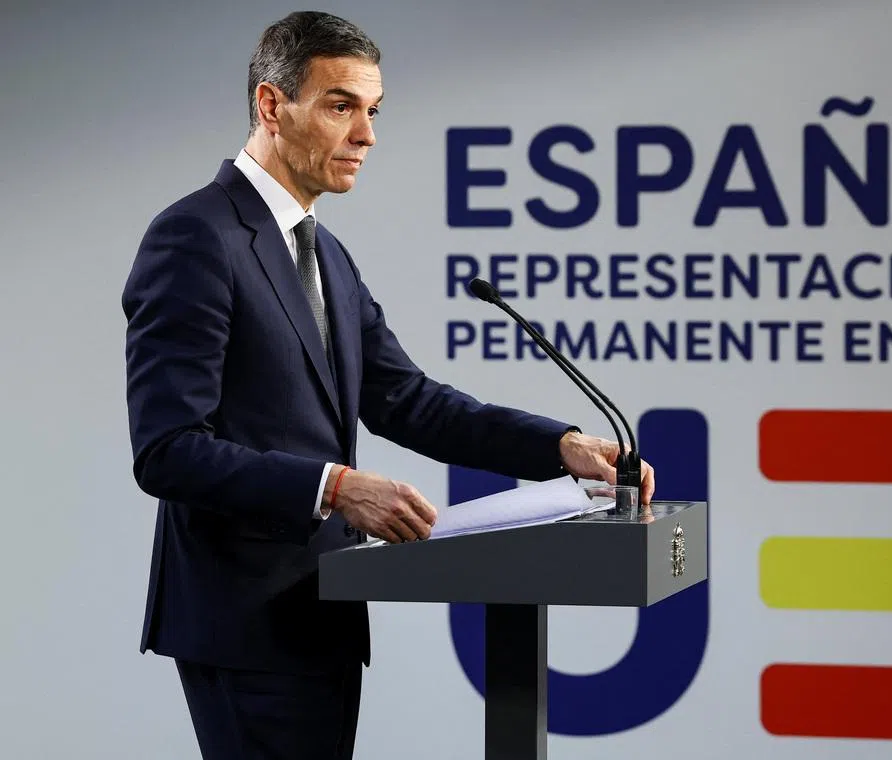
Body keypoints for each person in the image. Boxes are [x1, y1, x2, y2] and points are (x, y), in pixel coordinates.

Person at [121, 10, 654, 759]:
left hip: (321, 613)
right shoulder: (196, 238)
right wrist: (336, 486)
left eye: (373, 111)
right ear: (272, 106)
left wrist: (558, 444)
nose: (367, 135)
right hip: (242, 621)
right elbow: (168, 450)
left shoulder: (324, 251)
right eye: (342, 106)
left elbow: (406, 399)